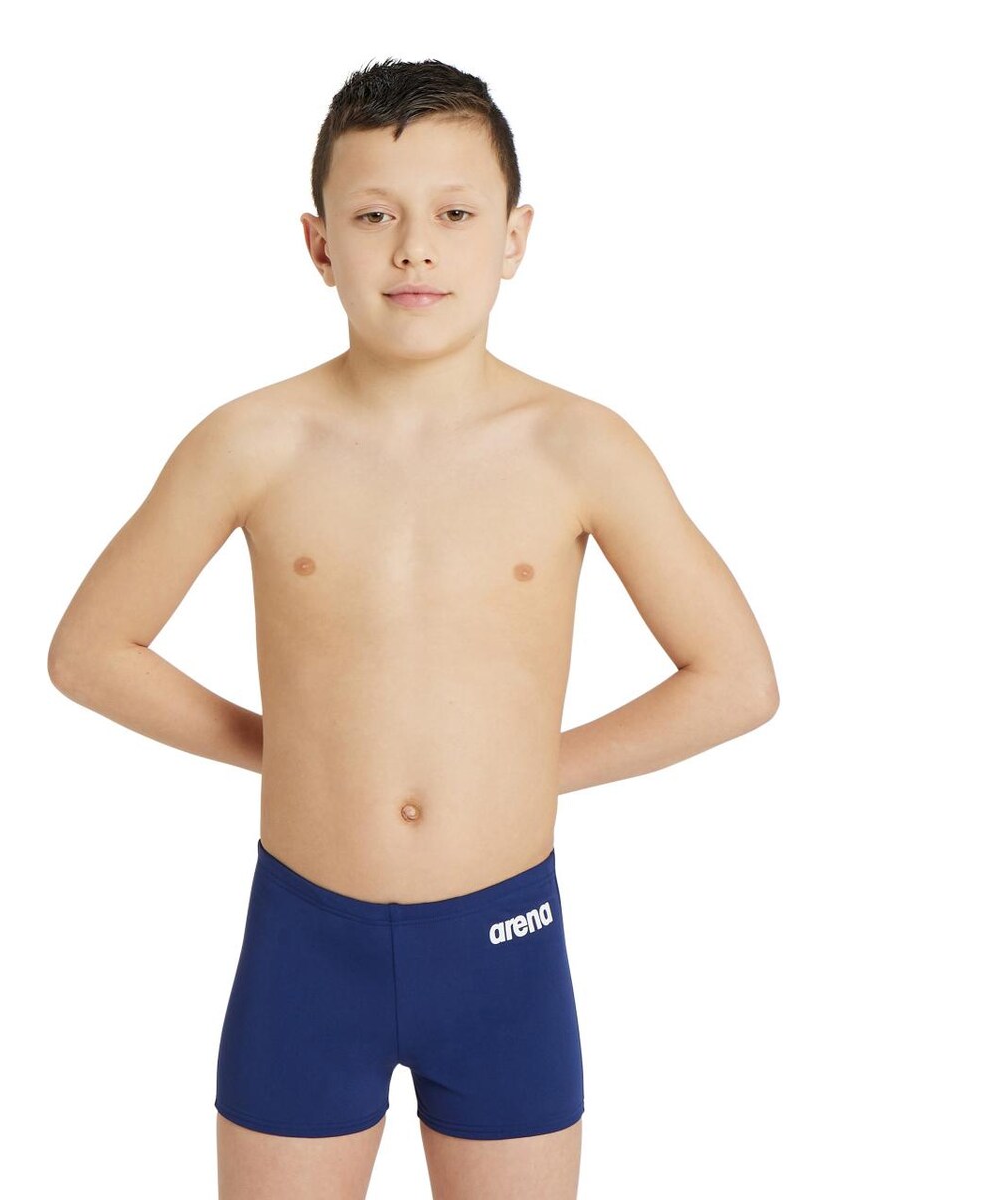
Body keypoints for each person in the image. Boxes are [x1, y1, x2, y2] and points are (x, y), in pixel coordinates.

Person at [47, 56, 778, 1200]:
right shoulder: (252, 442)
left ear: (515, 236)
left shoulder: (579, 448)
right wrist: (292, 751)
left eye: (455, 215)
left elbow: (735, 679)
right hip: (305, 943)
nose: (415, 250)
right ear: (318, 244)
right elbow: (91, 651)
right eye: (375, 216)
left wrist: (530, 770)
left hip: (505, 945)